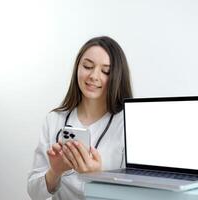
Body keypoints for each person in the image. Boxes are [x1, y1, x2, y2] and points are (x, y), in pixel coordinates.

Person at [27, 36, 133, 200]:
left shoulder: (128, 124)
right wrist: (54, 172)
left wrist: (96, 176)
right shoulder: (54, 119)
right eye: (87, 66)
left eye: (105, 71)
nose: (93, 76)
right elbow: (34, 193)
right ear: (77, 67)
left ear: (117, 76)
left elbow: (136, 195)